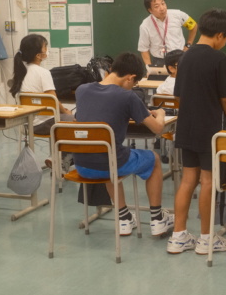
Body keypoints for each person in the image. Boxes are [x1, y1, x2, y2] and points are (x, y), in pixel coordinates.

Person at [73, 52, 175, 237]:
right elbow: (158, 129)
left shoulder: (82, 90)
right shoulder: (128, 97)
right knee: (154, 159)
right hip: (108, 165)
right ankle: (157, 218)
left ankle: (124, 218)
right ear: (131, 78)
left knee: (110, 155)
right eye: (135, 84)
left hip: (82, 165)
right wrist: (159, 112)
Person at [167, 8, 226, 255]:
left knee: (188, 180)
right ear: (219, 35)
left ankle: (178, 236)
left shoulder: (184, 57)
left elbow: (178, 95)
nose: (224, 43)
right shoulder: (220, 59)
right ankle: (207, 239)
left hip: (186, 126)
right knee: (207, 181)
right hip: (210, 129)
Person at [9, 34, 76, 168]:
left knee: (63, 118)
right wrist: (66, 111)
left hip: (26, 124)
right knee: (73, 121)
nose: (47, 49)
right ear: (39, 55)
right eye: (45, 47)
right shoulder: (42, 72)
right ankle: (59, 159)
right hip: (43, 123)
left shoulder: (21, 72)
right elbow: (53, 99)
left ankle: (57, 157)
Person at [138, 0, 197, 67]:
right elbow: (144, 49)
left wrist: (188, 45)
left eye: (163, 3)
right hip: (159, 61)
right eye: (156, 6)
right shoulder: (145, 25)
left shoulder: (178, 15)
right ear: (150, 10)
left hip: (181, 57)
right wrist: (149, 68)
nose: (162, 8)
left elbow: (193, 26)